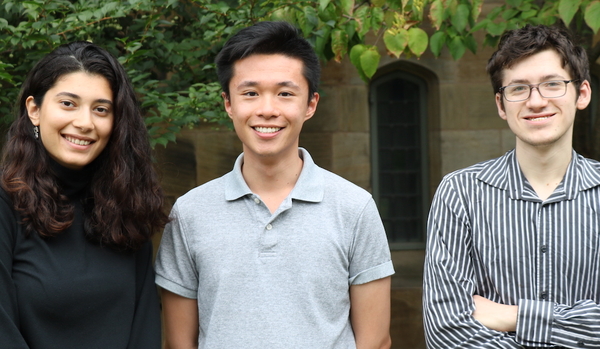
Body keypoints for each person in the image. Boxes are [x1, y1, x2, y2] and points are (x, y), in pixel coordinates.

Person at [154, 21, 395, 349]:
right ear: (228, 103)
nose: (267, 110)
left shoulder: (354, 207)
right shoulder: (190, 212)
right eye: (250, 93)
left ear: (310, 104)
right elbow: (178, 343)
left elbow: (376, 341)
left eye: (285, 93)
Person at [423, 24, 600, 348]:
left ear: (582, 94)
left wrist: (514, 316)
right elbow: (445, 330)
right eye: (518, 89)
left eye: (552, 85)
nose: (536, 102)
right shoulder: (460, 195)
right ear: (501, 105)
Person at [0, 41, 169, 348]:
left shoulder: (127, 205)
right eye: (68, 104)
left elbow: (145, 325)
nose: (85, 123)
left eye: (101, 109)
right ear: (34, 110)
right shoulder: (5, 204)